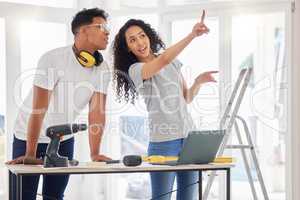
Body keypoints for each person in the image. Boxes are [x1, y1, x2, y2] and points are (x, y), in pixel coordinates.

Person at [6, 8, 111, 200]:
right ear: (83, 31)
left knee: (54, 196)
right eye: (101, 26)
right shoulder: (53, 59)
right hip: (28, 136)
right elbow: (39, 109)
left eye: (107, 27)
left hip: (63, 138)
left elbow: (97, 112)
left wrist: (95, 154)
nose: (107, 32)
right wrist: (30, 152)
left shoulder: (102, 68)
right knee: (23, 196)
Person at [113, 10, 217, 200]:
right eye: (132, 40)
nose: (140, 43)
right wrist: (192, 34)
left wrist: (198, 82)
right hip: (163, 143)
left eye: (142, 36)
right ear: (128, 48)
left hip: (189, 139)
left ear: (149, 36)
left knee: (189, 197)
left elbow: (186, 97)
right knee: (161, 197)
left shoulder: (172, 62)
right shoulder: (135, 70)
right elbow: (162, 60)